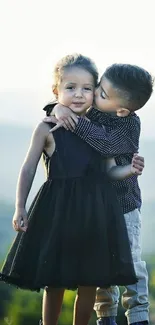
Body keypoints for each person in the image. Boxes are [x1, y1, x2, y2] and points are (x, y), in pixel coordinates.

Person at [0, 54, 141, 325]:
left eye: (87, 88)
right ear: (56, 91)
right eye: (70, 87)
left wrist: (129, 170)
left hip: (95, 216)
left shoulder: (98, 128)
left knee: (89, 282)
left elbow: (110, 170)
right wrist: (20, 206)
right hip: (58, 214)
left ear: (95, 91)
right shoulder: (47, 128)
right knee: (54, 280)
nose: (79, 95)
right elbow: (28, 168)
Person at [44, 62, 153, 325]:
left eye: (100, 93)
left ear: (122, 110)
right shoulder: (94, 110)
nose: (92, 95)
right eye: (98, 87)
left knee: (129, 261)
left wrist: (75, 122)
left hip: (124, 205)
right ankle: (105, 315)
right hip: (96, 206)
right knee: (101, 262)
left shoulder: (128, 125)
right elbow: (68, 103)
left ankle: (137, 315)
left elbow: (105, 143)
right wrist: (56, 108)